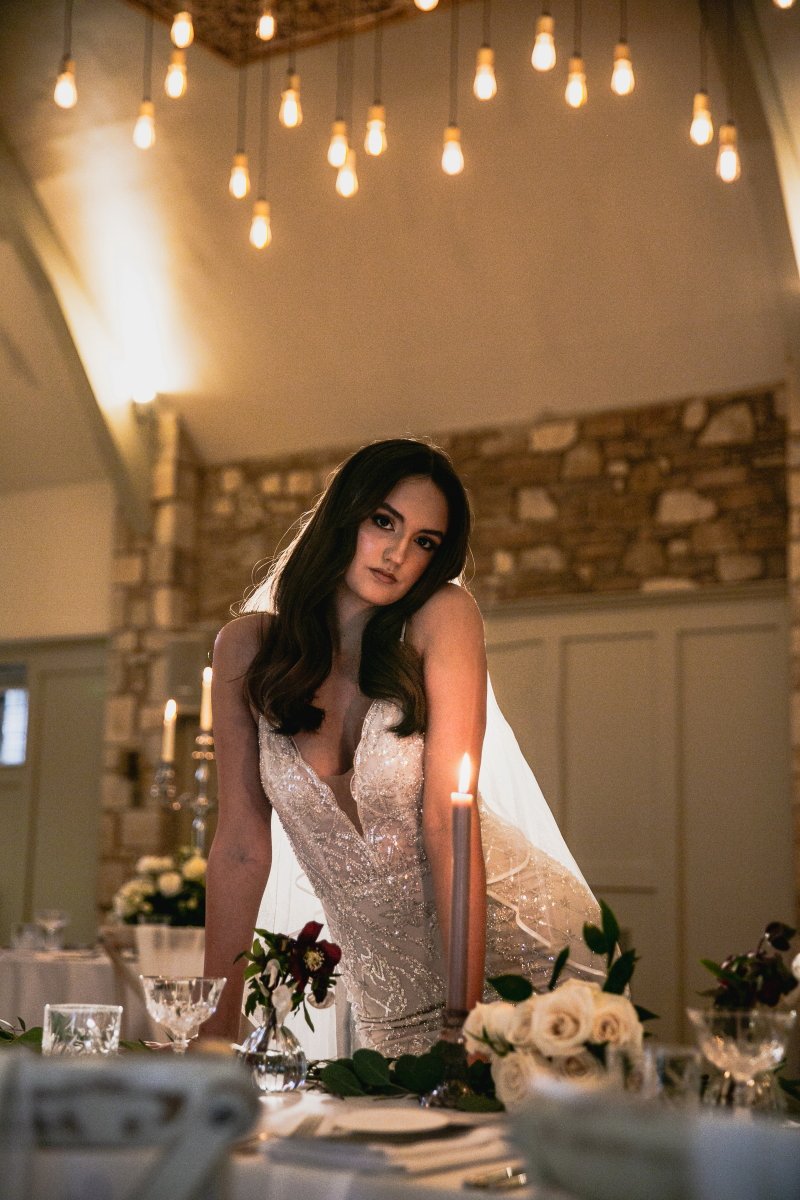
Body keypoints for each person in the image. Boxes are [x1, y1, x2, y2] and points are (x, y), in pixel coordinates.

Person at [202, 438, 602, 1056]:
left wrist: (465, 1020)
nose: (397, 554)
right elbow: (239, 849)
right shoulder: (246, 649)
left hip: (524, 953)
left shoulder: (443, 618)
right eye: (383, 522)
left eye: (425, 542)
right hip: (391, 992)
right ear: (344, 515)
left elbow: (447, 822)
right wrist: (212, 1035)